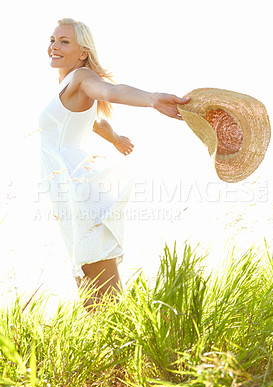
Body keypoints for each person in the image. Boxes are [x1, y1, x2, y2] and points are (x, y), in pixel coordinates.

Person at [40, 17, 190, 307]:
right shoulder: (69, 85)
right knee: (88, 289)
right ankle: (107, 348)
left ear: (83, 52)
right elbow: (91, 121)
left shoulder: (82, 78)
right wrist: (115, 137)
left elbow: (111, 91)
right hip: (66, 194)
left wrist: (152, 98)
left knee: (103, 290)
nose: (53, 46)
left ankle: (132, 343)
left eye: (64, 41)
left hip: (78, 190)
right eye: (52, 40)